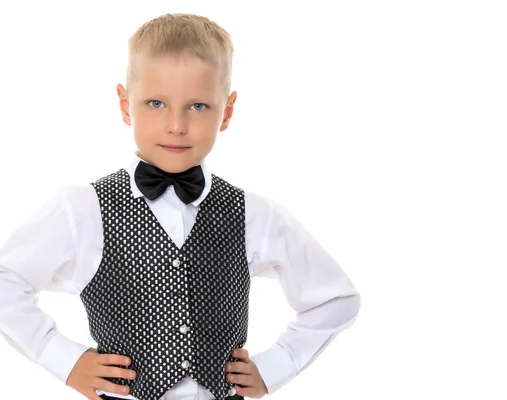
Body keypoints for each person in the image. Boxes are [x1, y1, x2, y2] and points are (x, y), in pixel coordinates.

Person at [0, 12, 360, 400]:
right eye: (156, 103)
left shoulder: (254, 214)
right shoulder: (82, 209)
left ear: (228, 110)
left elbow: (335, 299)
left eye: (199, 106)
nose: (176, 125)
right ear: (125, 104)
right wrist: (66, 361)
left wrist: (276, 366)